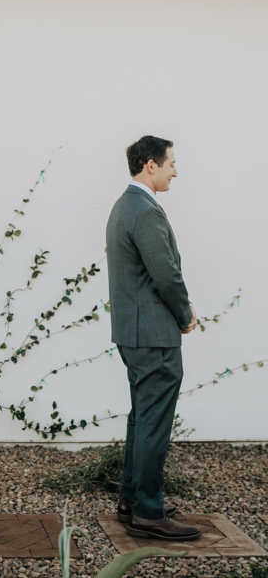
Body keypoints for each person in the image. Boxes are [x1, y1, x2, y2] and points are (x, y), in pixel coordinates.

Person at [106, 136, 201, 541]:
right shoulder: (144, 211)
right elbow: (165, 273)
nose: (175, 170)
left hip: (134, 332)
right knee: (153, 421)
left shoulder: (124, 207)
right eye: (170, 164)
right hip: (154, 335)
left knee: (142, 416)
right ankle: (147, 509)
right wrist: (186, 314)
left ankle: (132, 500)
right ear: (150, 165)